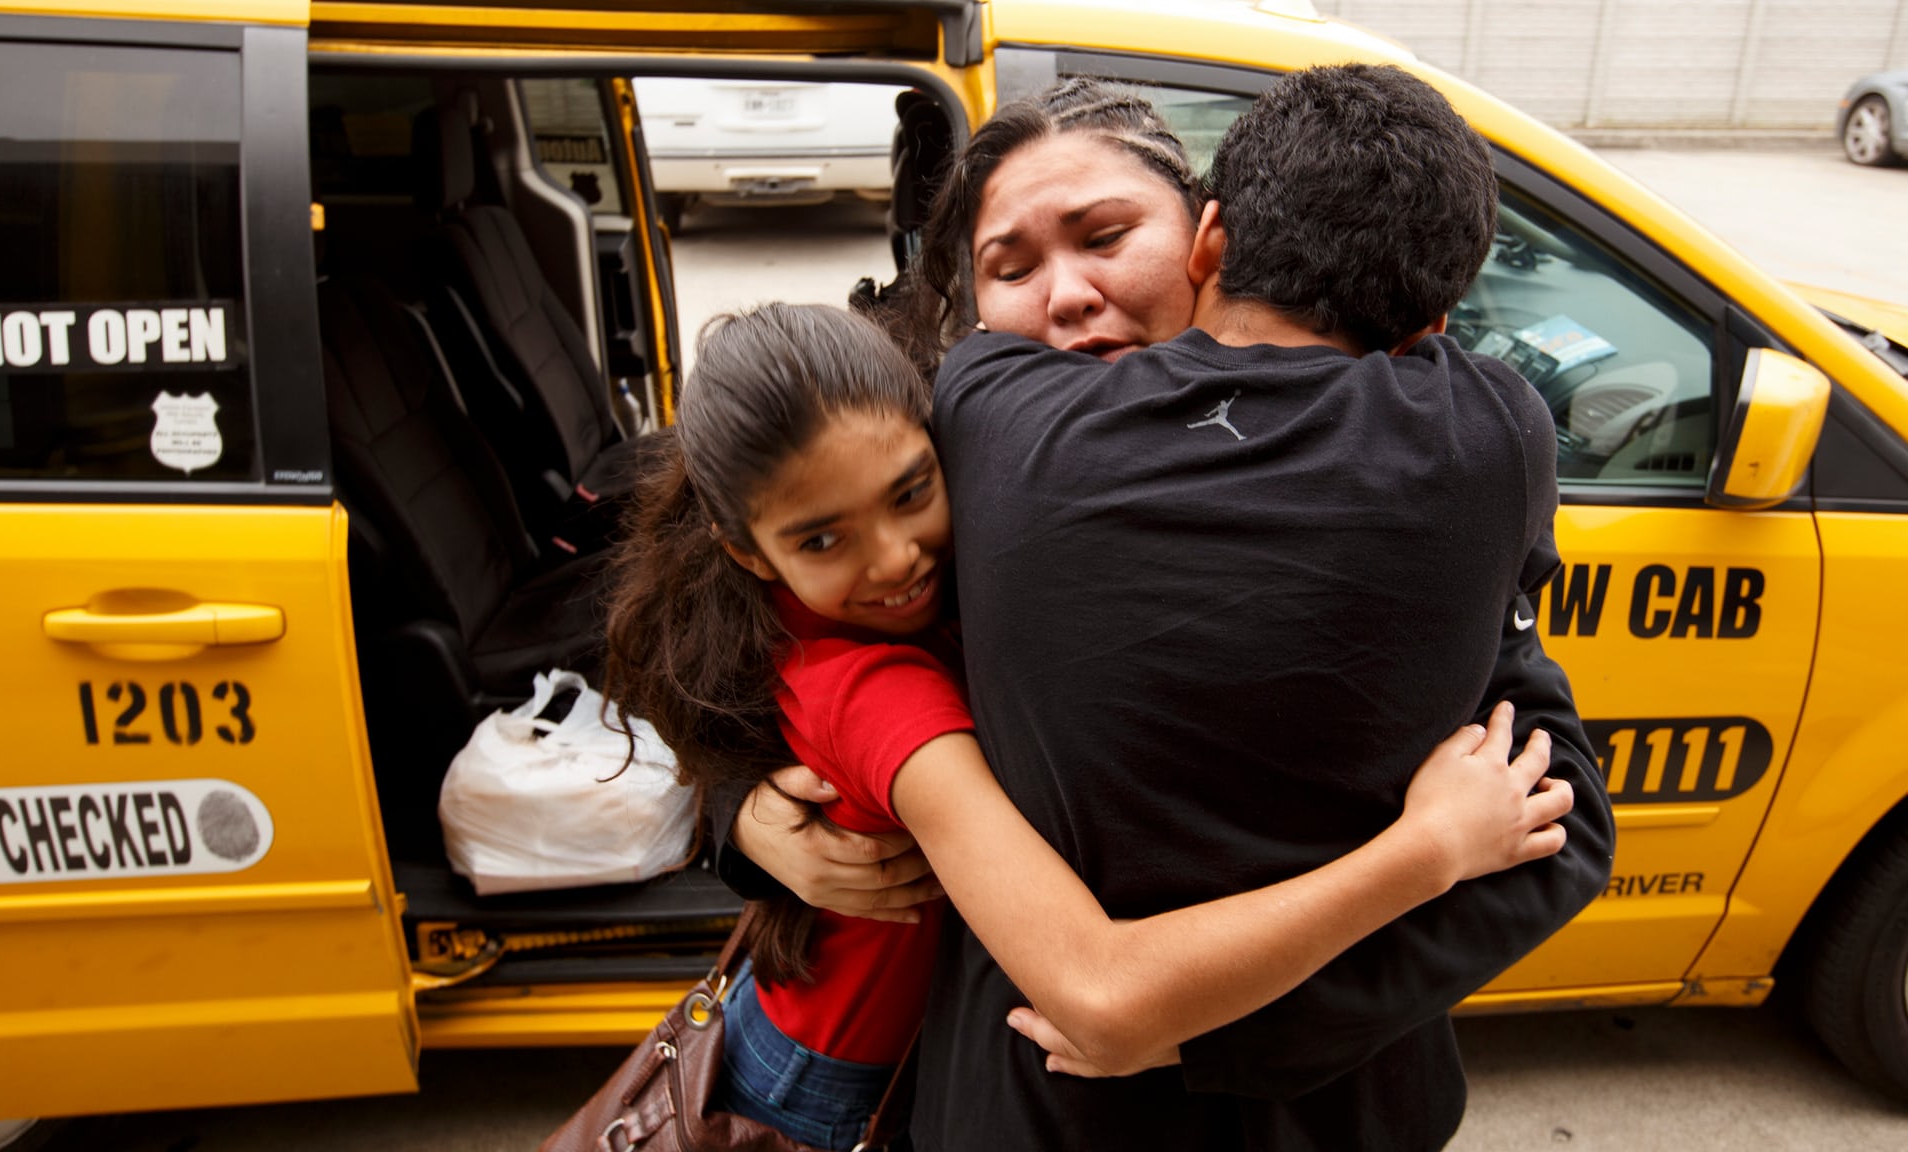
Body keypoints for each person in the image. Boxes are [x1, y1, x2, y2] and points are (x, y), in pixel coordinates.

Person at [725, 68, 1617, 1150]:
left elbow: (1549, 814)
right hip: (1027, 1081)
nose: (1064, 295)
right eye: (1010, 265)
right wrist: (739, 812)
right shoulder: (930, 464)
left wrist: (1207, 1025)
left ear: (1207, 240)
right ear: (970, 314)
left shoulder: (1408, 495)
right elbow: (722, 625)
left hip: (1300, 1100)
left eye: (1105, 237)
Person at [605, 301, 1574, 1151]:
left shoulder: (1008, 495)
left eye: (911, 492)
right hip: (834, 1071)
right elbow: (1103, 997)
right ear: (749, 553)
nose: (896, 558)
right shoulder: (877, 683)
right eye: (822, 539)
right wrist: (1431, 846)